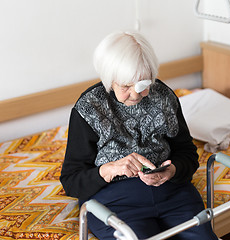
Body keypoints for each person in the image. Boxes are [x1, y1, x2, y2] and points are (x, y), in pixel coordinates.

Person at [60, 31, 218, 240]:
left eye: (143, 85)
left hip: (173, 193)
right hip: (115, 201)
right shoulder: (89, 108)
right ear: (109, 79)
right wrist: (109, 169)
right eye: (125, 86)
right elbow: (71, 180)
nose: (135, 94)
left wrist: (172, 170)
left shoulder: (163, 97)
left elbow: (187, 152)